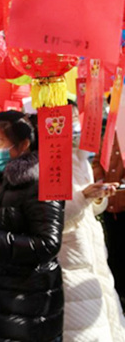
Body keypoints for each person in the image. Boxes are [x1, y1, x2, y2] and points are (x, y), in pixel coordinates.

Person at [0, 110, 64, 342]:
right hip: (1, 300)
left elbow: (48, 244)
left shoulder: (41, 183)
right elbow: (8, 232)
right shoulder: (4, 180)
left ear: (23, 144)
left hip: (28, 302)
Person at [60, 102, 125, 341]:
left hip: (93, 255)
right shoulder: (51, 164)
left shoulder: (80, 159)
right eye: (69, 119)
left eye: (77, 117)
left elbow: (90, 209)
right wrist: (83, 197)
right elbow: (52, 218)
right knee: (82, 329)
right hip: (72, 258)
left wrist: (98, 197)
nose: (76, 125)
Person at [92, 127, 125, 311]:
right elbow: (97, 161)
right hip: (110, 205)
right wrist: (100, 180)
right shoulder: (109, 133)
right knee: (114, 252)